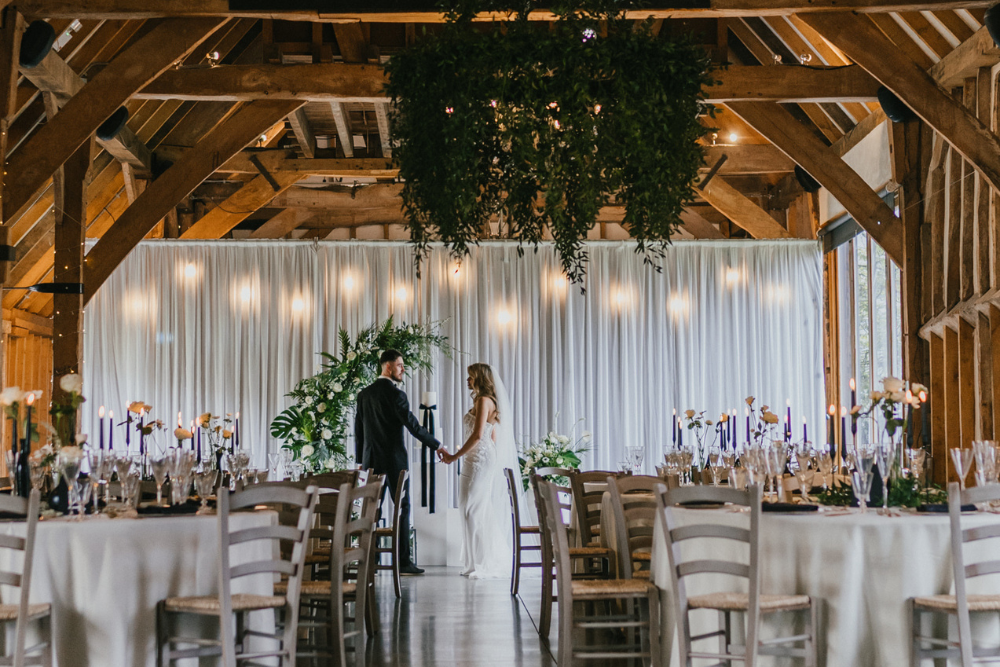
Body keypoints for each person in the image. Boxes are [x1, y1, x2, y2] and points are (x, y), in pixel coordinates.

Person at [355, 349, 440, 575]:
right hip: (394, 461)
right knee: (402, 507)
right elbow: (413, 426)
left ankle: (369, 562)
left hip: (370, 461)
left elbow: (359, 432)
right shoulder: (397, 395)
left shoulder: (364, 394)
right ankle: (402, 562)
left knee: (371, 510)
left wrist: (359, 464)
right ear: (388, 366)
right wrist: (438, 446)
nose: (403, 369)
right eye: (400, 365)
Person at [439, 363, 519, 579]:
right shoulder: (479, 400)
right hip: (474, 457)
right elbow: (490, 434)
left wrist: (454, 457)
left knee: (473, 510)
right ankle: (474, 561)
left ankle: (479, 564)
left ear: (480, 378)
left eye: (470, 377)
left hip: (479, 459)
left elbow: (477, 435)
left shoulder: (484, 400)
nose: (467, 380)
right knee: (469, 508)